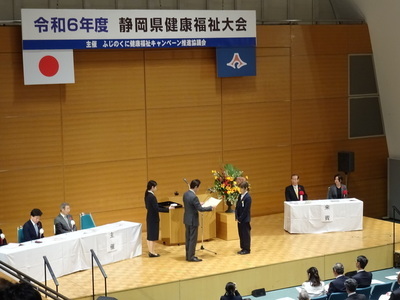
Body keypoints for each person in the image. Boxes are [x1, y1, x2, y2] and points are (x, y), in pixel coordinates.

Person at [183, 179, 215, 262]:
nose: (199, 189)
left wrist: (197, 203)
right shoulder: (194, 197)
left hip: (187, 219)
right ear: (196, 187)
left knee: (188, 238)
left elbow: (191, 205)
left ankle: (188, 255)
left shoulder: (186, 194)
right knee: (193, 239)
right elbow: (200, 209)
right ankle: (191, 257)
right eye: (199, 187)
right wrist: (210, 208)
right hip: (193, 220)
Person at [144, 180, 174, 257]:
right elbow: (156, 208)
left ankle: (151, 251)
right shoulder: (152, 196)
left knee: (150, 235)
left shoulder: (147, 194)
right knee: (153, 236)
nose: (156, 188)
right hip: (153, 218)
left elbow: (152, 206)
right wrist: (168, 209)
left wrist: (162, 206)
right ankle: (152, 252)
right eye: (155, 187)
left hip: (149, 216)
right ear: (152, 187)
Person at [236, 181, 252, 255]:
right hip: (239, 219)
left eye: (241, 188)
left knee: (245, 234)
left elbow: (246, 210)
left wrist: (240, 218)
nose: (240, 190)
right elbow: (237, 207)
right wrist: (236, 216)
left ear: (245, 189)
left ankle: (247, 249)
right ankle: (242, 247)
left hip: (244, 219)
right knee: (241, 234)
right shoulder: (240, 196)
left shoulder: (248, 197)